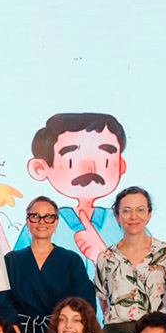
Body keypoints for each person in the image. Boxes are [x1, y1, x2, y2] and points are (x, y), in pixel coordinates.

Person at [18, 112, 128, 268]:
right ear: (40, 168)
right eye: (71, 161)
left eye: (104, 160)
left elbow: (145, 273)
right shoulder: (40, 223)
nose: (90, 167)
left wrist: (101, 255)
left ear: (120, 165)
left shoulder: (124, 221)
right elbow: (14, 270)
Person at [0, 196, 95, 333]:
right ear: (27, 221)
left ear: (56, 222)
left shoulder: (71, 260)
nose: (42, 222)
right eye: (35, 216)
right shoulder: (11, 260)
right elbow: (4, 304)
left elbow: (84, 305)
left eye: (49, 217)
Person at [94, 186, 166, 333]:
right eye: (126, 210)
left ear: (149, 214)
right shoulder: (106, 257)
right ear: (117, 216)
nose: (133, 216)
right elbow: (103, 301)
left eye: (140, 210)